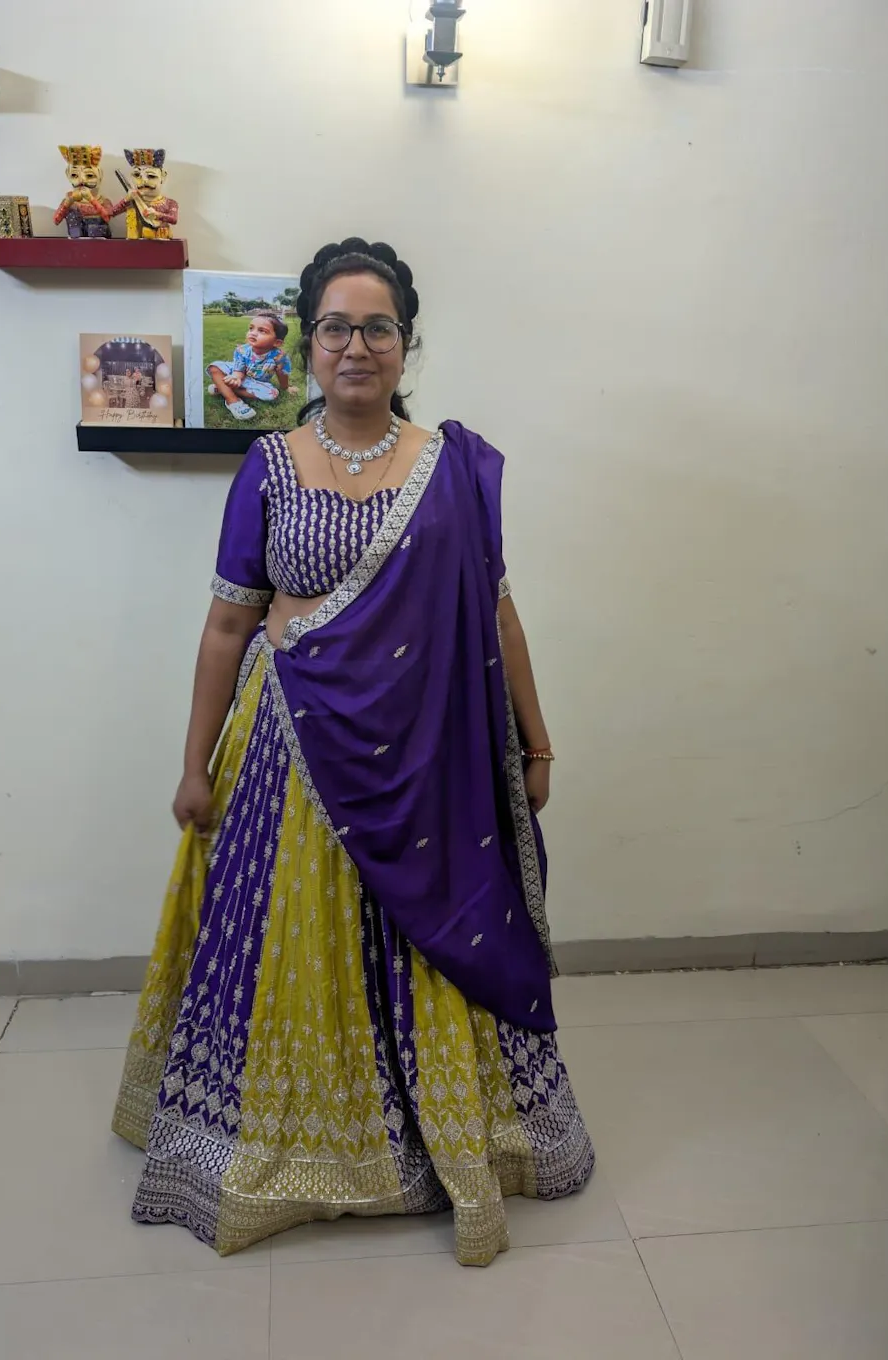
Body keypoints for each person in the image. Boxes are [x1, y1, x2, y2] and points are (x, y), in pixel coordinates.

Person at [113, 237, 595, 1267]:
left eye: (378, 327)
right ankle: (299, 1140)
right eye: (336, 326)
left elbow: (496, 615)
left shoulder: (452, 469)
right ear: (307, 344)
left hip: (428, 756)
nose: (356, 346)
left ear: (405, 344)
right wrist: (194, 762)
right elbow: (226, 625)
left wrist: (538, 741)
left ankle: (436, 1140)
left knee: (424, 942)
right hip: (293, 751)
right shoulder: (268, 468)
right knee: (293, 946)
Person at [207, 310, 298, 421]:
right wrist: (236, 378)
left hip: (256, 382)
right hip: (238, 374)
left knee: (273, 394)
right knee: (214, 367)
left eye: (262, 331)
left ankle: (222, 388)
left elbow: (282, 373)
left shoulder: (279, 357)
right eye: (251, 328)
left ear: (277, 343)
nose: (253, 333)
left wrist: (285, 387)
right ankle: (233, 401)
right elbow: (238, 369)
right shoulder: (242, 350)